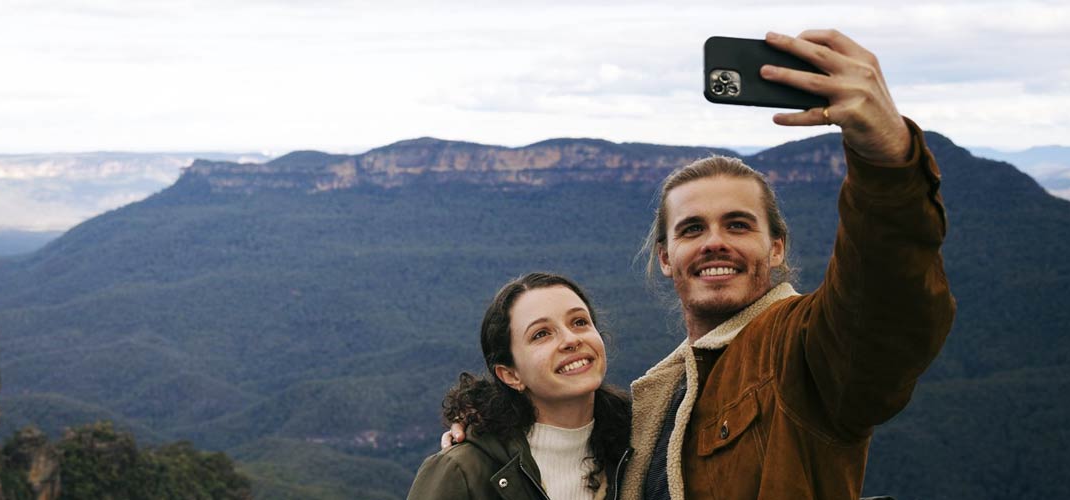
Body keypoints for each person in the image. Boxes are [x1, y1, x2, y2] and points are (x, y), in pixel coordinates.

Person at [439, 29, 955, 499]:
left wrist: (886, 158)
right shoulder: (653, 401)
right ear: (666, 258)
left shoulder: (804, 349)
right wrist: (486, 431)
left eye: (738, 224)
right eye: (691, 229)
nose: (714, 243)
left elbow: (885, 306)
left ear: (776, 247)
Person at [406, 273, 633, 500]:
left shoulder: (642, 447)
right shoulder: (462, 473)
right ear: (510, 375)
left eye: (579, 322)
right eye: (541, 334)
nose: (571, 340)